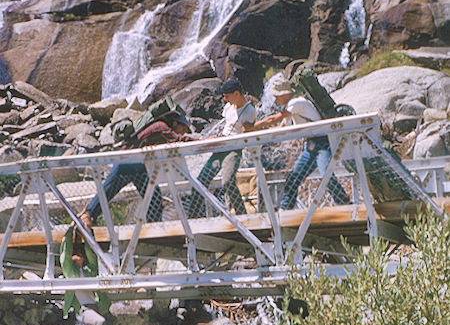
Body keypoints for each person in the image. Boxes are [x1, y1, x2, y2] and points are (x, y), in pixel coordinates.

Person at [80, 111, 194, 231]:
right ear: (175, 123)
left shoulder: (160, 127)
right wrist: (202, 140)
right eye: (184, 128)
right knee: (108, 191)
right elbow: (177, 140)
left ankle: (154, 229)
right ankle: (87, 215)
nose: (184, 132)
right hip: (127, 162)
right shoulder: (161, 126)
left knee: (153, 199)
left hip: (136, 164)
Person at [255, 78, 350, 209]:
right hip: (311, 146)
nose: (276, 100)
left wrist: (253, 126)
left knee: (326, 176)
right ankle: (285, 209)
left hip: (322, 143)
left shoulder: (296, 103)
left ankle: (345, 204)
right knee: (293, 179)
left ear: (285, 94)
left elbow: (274, 119)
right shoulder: (290, 107)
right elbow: (281, 128)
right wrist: (261, 133)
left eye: (277, 97)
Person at [187, 78, 256, 218]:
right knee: (201, 180)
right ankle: (192, 216)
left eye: (227, 96)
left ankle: (242, 215)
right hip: (220, 146)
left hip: (233, 149)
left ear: (236, 94)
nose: (224, 99)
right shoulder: (229, 107)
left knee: (228, 181)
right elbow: (226, 127)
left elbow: (245, 134)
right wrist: (216, 138)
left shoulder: (249, 111)